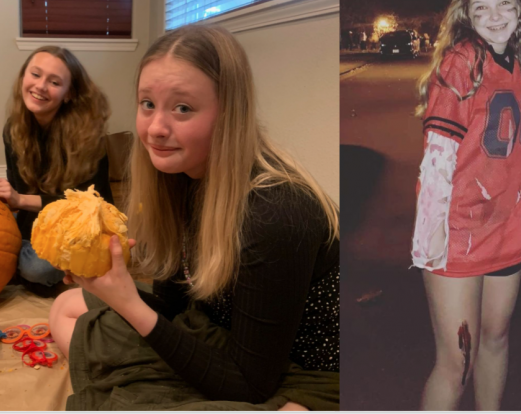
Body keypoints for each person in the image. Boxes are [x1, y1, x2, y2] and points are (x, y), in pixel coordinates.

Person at [50, 25, 340, 409]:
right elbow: (174, 308)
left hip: (305, 373)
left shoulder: (277, 212)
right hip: (219, 331)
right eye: (147, 103)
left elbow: (251, 386)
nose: (156, 128)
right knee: (66, 306)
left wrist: (131, 307)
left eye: (183, 108)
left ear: (229, 114)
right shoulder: (179, 177)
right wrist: (112, 289)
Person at [412, 0, 521, 410]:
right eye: (481, 9)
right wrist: (430, 238)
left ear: (520, 9)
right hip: (459, 233)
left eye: (504, 4)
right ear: (467, 16)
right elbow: (437, 159)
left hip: (508, 227)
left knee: (497, 338)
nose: (495, 16)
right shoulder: (462, 61)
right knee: (456, 364)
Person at [0, 46, 112, 292]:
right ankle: (19, 261)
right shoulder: (14, 129)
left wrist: (19, 200)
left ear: (69, 93)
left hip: (85, 226)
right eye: (35, 74)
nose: (41, 86)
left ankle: (25, 265)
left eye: (55, 82)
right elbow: (17, 191)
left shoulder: (89, 137)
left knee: (38, 269)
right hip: (36, 222)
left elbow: (86, 208)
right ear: (23, 77)